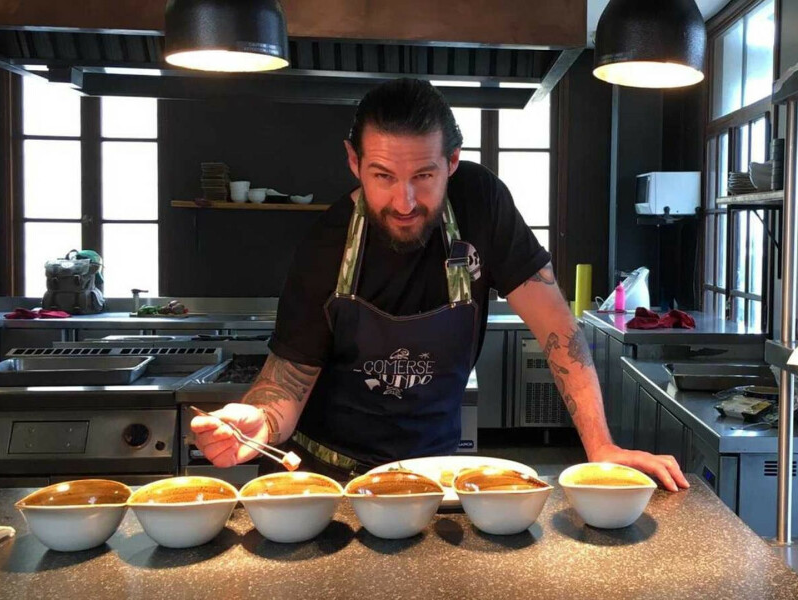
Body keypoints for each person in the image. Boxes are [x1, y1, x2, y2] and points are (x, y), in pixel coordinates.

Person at [191, 78, 689, 491]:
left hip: (434, 475)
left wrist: (601, 446)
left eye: (424, 175)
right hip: (329, 479)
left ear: (452, 161)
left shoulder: (481, 203)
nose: (404, 201)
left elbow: (557, 327)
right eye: (383, 176)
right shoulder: (325, 246)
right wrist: (260, 418)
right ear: (353, 162)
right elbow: (289, 379)